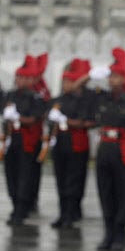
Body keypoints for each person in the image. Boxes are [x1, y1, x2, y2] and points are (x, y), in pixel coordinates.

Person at [78, 48, 125, 251]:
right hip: (104, 149)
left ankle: (120, 234)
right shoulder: (101, 98)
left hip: (122, 150)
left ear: (124, 78)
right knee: (105, 192)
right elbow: (77, 89)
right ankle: (108, 233)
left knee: (122, 193)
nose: (112, 80)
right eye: (111, 76)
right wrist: (90, 75)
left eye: (116, 76)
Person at [45, 58, 93, 229]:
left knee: (74, 180)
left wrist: (66, 120)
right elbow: (50, 120)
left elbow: (84, 121)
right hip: (61, 143)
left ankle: (71, 213)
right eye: (64, 81)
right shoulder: (57, 101)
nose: (66, 84)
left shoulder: (82, 100)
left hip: (76, 144)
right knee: (61, 180)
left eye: (69, 81)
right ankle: (63, 212)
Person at [1, 55, 46, 225]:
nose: (19, 80)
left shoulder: (35, 97)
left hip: (28, 142)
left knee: (25, 175)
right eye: (18, 77)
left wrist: (17, 118)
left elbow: (35, 118)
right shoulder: (10, 95)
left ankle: (22, 207)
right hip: (12, 140)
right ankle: (15, 204)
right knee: (11, 174)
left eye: (24, 77)